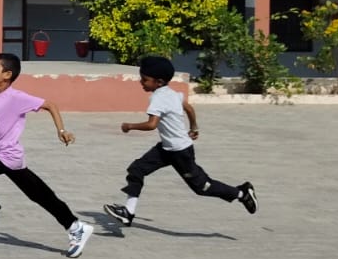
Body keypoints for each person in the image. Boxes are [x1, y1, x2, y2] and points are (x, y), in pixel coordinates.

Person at [0, 52, 96, 258]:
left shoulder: (17, 98)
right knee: (40, 195)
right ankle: (76, 226)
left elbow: (50, 105)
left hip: (9, 155)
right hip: (4, 156)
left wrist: (61, 131)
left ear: (7, 75)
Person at [103, 55, 257, 227]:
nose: (141, 82)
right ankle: (128, 212)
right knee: (137, 169)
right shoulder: (173, 93)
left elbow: (152, 125)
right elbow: (189, 109)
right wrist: (194, 127)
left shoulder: (158, 98)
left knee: (202, 187)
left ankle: (242, 193)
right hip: (166, 149)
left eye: (145, 79)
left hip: (181, 152)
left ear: (159, 82)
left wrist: (130, 126)